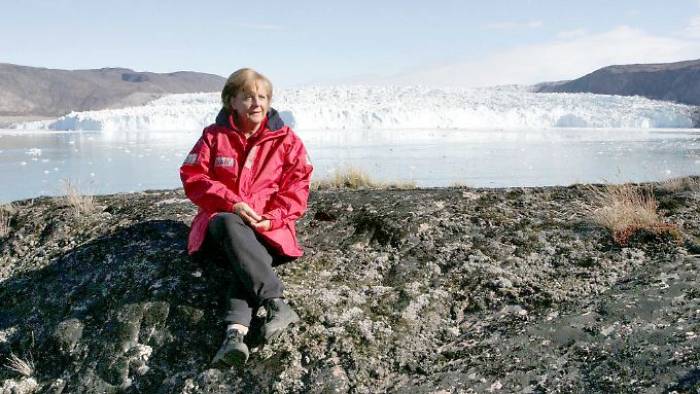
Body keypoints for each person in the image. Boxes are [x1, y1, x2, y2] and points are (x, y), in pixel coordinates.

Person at [179, 68, 313, 368]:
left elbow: (298, 185)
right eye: (248, 96)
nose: (256, 103)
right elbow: (193, 176)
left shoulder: (286, 141)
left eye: (262, 97)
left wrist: (273, 218)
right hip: (223, 227)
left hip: (267, 230)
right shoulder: (214, 137)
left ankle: (233, 336)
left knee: (244, 264)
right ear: (232, 102)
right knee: (228, 223)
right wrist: (232, 203)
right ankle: (276, 303)